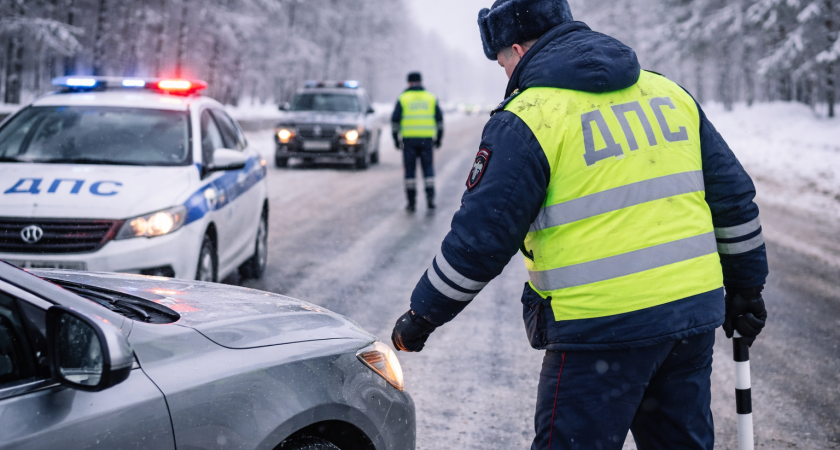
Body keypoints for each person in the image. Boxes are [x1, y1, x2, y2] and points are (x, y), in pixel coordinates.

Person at [390, 1, 769, 449]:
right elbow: (733, 199)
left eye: (501, 62)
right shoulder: (668, 94)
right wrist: (746, 287)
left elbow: (480, 241)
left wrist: (423, 315)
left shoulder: (529, 118)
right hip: (688, 320)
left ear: (515, 48)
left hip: (598, 330)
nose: (505, 73)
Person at [391, 72, 444, 212]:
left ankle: (411, 202)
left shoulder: (403, 98)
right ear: (421, 81)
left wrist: (395, 138)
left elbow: (395, 121)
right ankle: (430, 199)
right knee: (428, 169)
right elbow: (439, 121)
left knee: (409, 171)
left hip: (408, 141)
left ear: (409, 83)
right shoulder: (430, 97)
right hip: (427, 141)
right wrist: (439, 138)